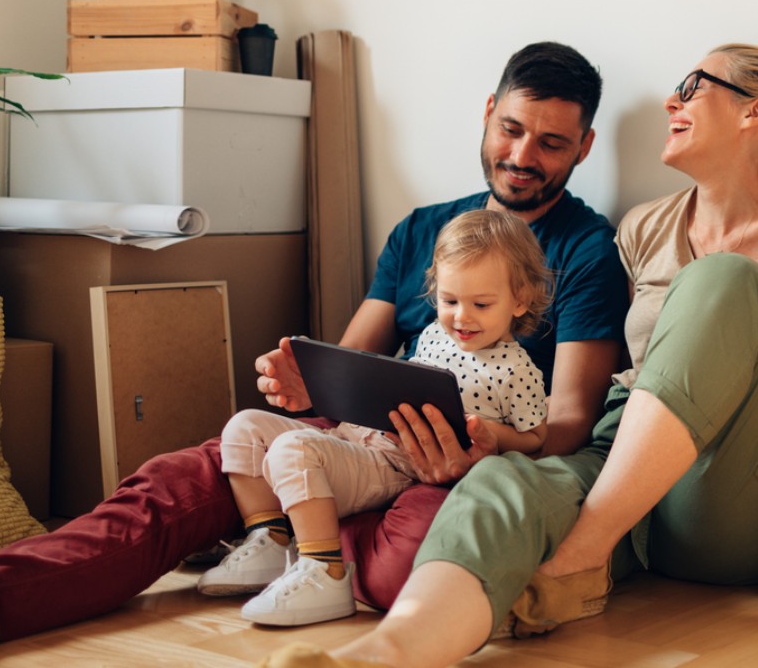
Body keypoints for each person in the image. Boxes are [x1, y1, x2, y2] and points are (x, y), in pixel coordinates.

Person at [0, 42, 629, 657]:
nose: (522, 157)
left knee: (400, 572)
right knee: (170, 488)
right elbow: (351, 358)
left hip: (456, 471)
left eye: (552, 144)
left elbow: (569, 422)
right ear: (487, 112)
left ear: (585, 146)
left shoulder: (587, 250)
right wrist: (305, 384)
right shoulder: (424, 229)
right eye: (511, 129)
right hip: (352, 440)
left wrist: (489, 447)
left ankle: (300, 549)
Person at [258, 43, 758, 668]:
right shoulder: (643, 227)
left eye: (693, 85)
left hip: (724, 476)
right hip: (618, 451)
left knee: (723, 280)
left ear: (754, 113)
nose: (672, 99)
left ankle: (583, 552)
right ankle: (385, 652)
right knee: (499, 482)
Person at [200, 209, 552, 628]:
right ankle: (270, 539)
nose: (461, 317)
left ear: (521, 299)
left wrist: (492, 435)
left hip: (397, 461)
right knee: (243, 427)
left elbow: (536, 437)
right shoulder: (435, 334)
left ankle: (325, 570)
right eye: (449, 300)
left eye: (480, 304)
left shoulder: (517, 371)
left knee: (292, 450)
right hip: (360, 430)